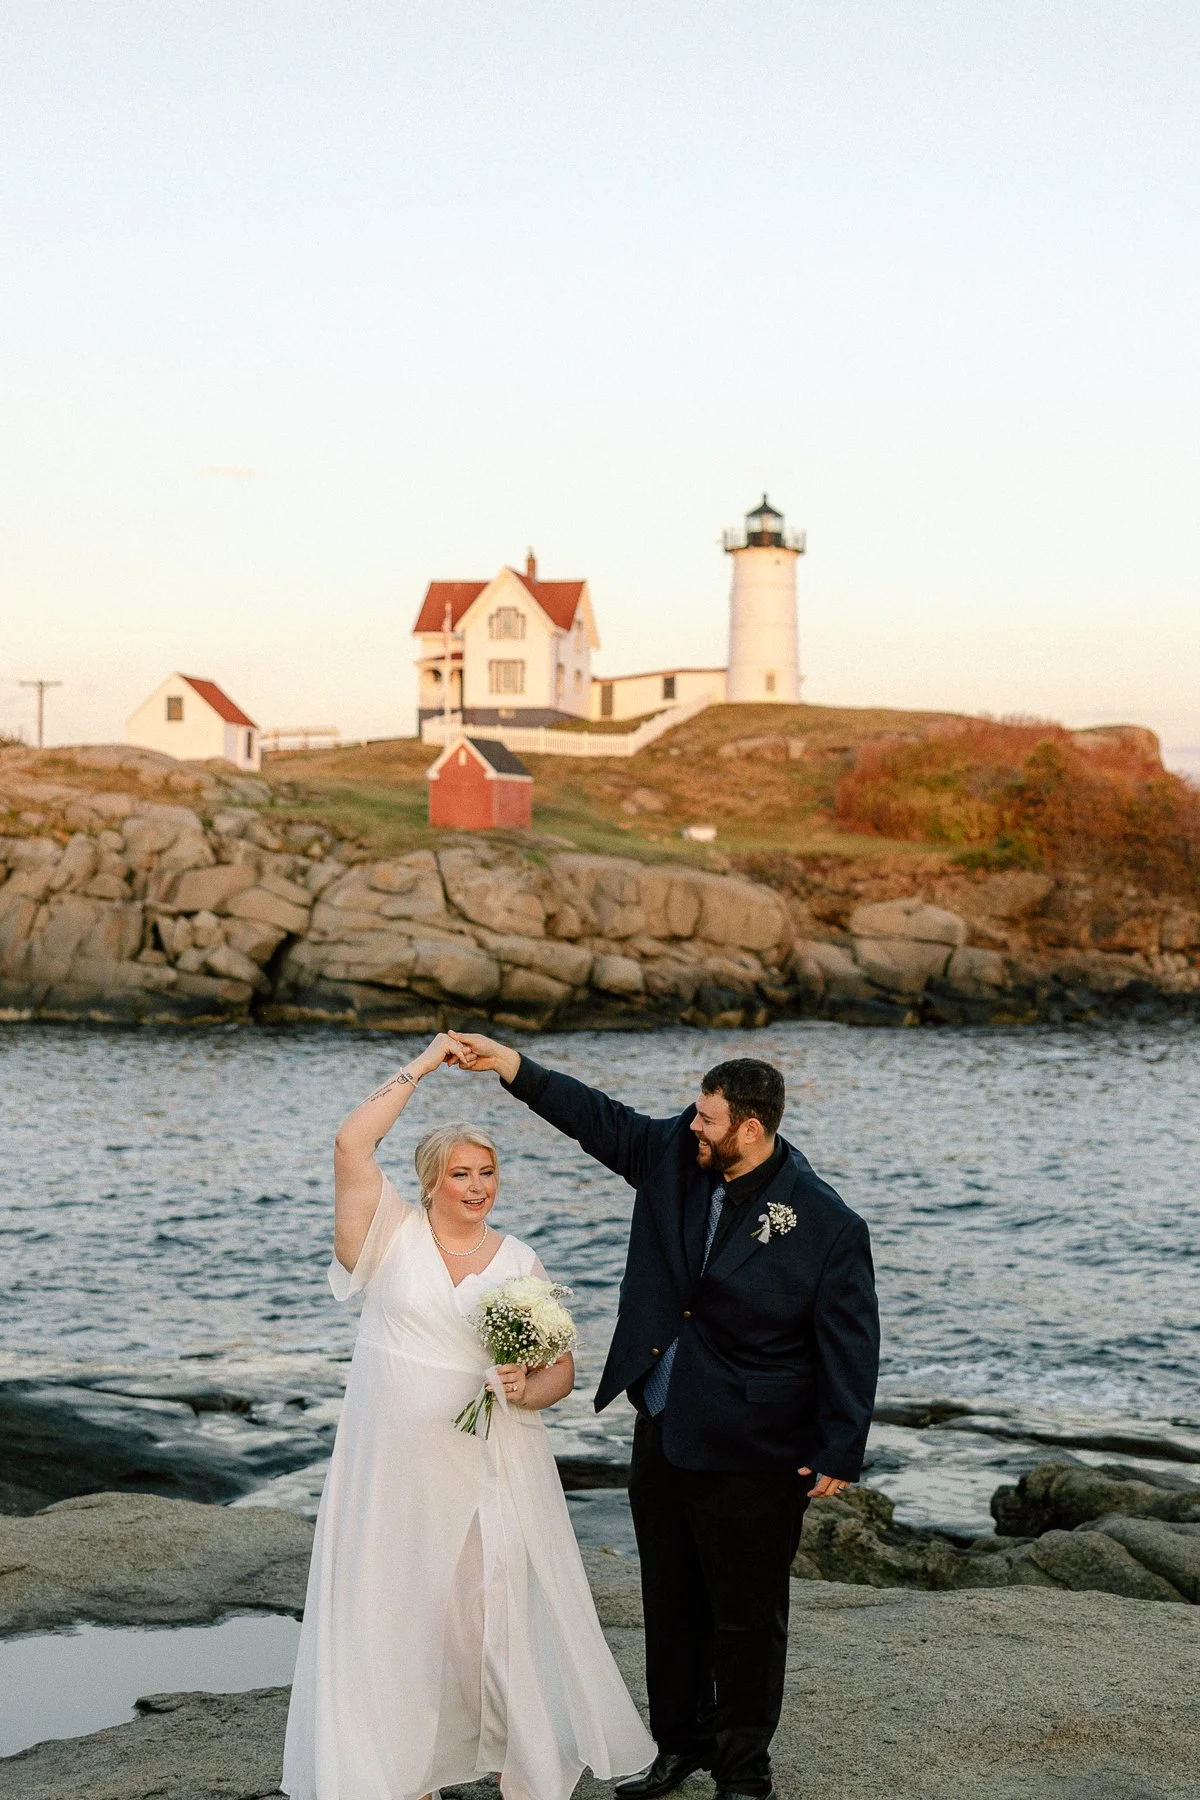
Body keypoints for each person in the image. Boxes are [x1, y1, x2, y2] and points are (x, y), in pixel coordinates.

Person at [449, 1032, 880, 1800]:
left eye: (709, 1119)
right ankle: (678, 1745)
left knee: (748, 1620)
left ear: (752, 1128)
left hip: (757, 1449)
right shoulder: (673, 1158)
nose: (693, 1126)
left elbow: (848, 1344)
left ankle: (744, 1771)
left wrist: (840, 1449)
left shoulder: (826, 1224)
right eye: (695, 1112)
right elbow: (595, 1117)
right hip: (663, 1427)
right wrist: (511, 1066)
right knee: (671, 1603)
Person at [281, 1031, 656, 1800]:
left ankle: (514, 1766)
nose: (478, 1186)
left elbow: (561, 1372)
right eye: (462, 1174)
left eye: (487, 1172)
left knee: (489, 1619)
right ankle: (401, 1774)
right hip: (393, 1470)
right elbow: (353, 1141)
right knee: (396, 1615)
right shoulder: (387, 1237)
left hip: (494, 1467)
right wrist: (421, 1066)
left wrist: (525, 1388)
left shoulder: (518, 1262)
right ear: (430, 1183)